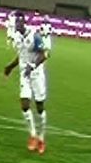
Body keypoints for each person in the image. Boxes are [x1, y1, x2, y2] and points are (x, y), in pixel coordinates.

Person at [3, 11, 53, 154]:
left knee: (39, 107)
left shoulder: (34, 36)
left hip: (37, 75)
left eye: (16, 23)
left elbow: (45, 54)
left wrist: (33, 65)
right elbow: (21, 56)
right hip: (24, 75)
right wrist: (10, 67)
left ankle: (41, 138)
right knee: (24, 104)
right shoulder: (17, 38)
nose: (14, 26)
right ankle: (33, 135)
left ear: (22, 22)